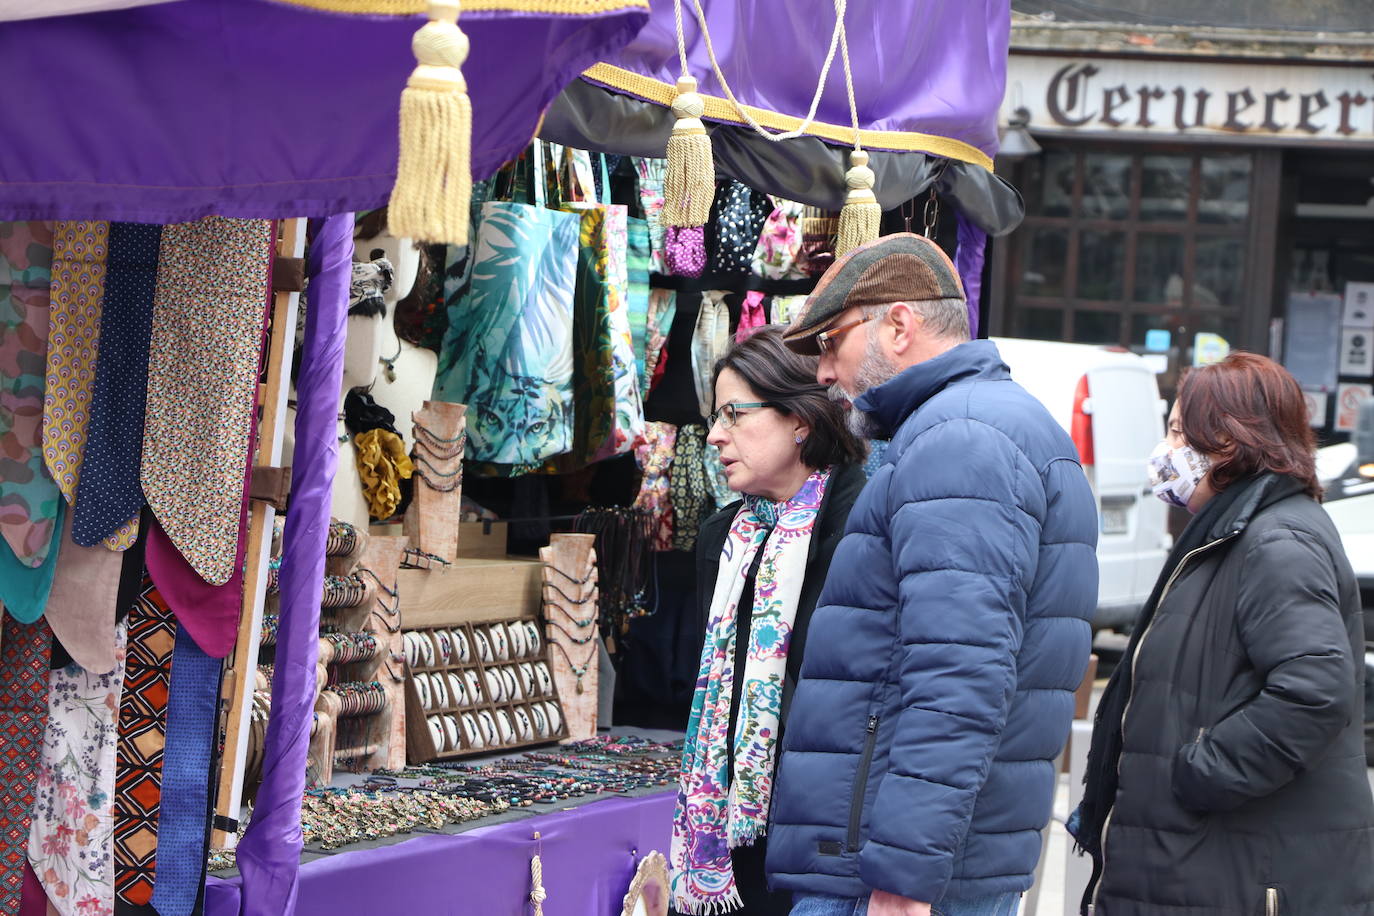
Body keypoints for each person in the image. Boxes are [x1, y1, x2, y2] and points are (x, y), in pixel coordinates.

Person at [768, 233, 1100, 916]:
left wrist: (903, 874)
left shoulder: (961, 438)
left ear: (898, 324)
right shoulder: (970, 427)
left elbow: (959, 674)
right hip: (913, 856)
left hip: (890, 869)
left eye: (830, 341)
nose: (822, 371)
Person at [1072, 352, 1374, 915]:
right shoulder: (1230, 533)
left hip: (1233, 871)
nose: (1165, 450)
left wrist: (1199, 774)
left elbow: (1314, 692)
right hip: (1199, 867)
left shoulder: (1277, 541)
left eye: (1178, 431)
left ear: (1228, 443)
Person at [670, 327, 869, 916]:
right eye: (715, 417)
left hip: (829, 834)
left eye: (734, 414)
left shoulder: (863, 529)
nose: (715, 435)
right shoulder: (724, 537)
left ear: (799, 420)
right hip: (734, 837)